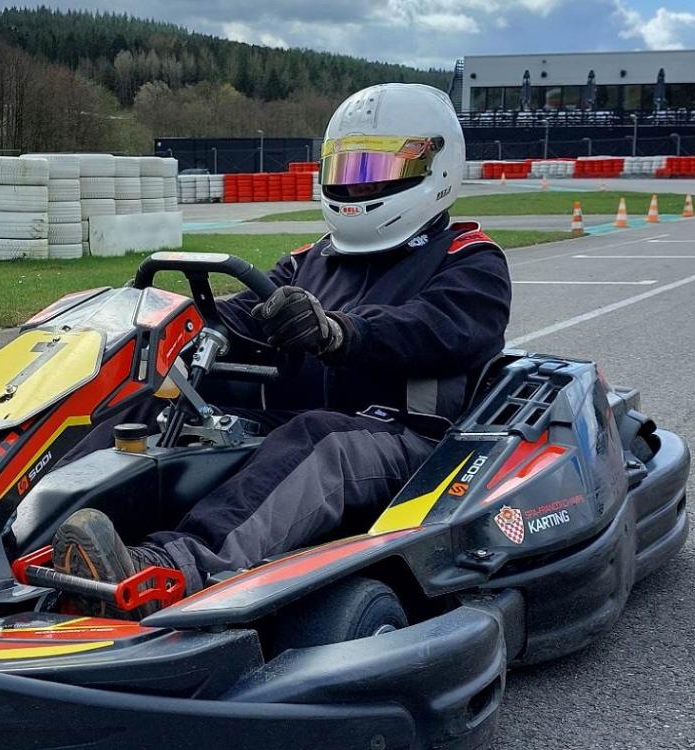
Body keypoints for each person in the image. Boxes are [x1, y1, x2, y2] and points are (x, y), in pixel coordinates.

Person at [52, 83, 512, 609]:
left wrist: (339, 331)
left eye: (375, 168)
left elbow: (434, 328)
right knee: (154, 405)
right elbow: (244, 315)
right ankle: (28, 526)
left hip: (410, 441)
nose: (356, 184)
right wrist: (165, 325)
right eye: (346, 168)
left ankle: (172, 569)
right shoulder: (308, 261)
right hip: (295, 424)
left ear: (438, 167)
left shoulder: (470, 260)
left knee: (318, 438)